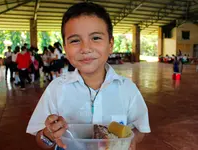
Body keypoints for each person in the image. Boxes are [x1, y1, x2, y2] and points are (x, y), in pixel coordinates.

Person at [26, 2, 151, 150]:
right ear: (65, 48)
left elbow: (140, 128)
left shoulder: (128, 89)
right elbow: (41, 141)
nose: (85, 48)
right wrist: (48, 134)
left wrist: (132, 139)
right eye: (75, 40)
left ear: (110, 44)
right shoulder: (56, 89)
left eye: (96, 38)